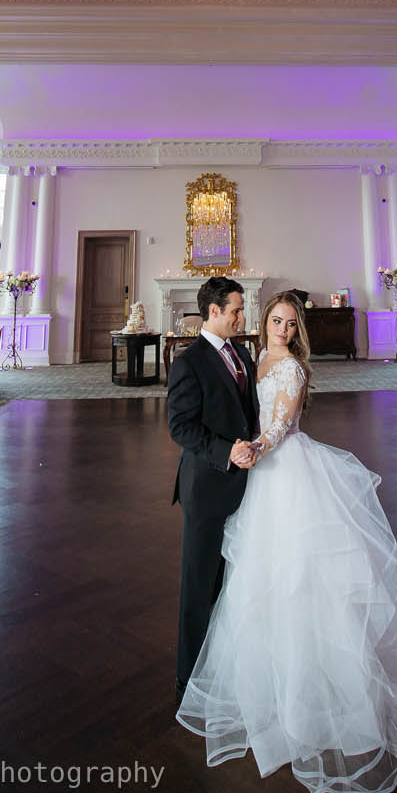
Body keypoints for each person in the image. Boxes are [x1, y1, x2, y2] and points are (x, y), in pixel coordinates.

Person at [176, 291, 397, 793]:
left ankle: (320, 689)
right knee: (260, 578)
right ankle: (265, 684)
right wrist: (243, 448)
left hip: (284, 469)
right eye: (275, 320)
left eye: (290, 324)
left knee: (305, 575)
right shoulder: (252, 356)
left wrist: (256, 448)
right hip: (256, 478)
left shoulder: (291, 368)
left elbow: (278, 426)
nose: (281, 329)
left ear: (298, 330)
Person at [168, 275, 258, 698]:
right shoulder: (189, 362)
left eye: (242, 309)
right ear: (214, 311)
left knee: (230, 579)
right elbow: (180, 427)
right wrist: (226, 452)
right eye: (236, 310)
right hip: (205, 486)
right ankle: (189, 676)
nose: (243, 317)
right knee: (199, 581)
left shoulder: (242, 353)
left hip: (244, 484)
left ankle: (223, 662)